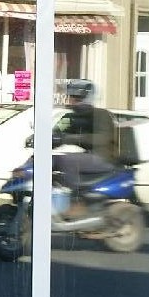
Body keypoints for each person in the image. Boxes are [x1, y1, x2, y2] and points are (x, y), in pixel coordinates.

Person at [54, 80, 121, 208]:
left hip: (103, 158)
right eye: (71, 96)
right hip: (88, 157)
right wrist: (42, 138)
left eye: (77, 97)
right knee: (50, 160)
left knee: (66, 160)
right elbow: (56, 131)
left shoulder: (101, 115)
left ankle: (76, 200)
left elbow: (102, 138)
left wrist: (69, 138)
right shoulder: (70, 117)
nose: (72, 100)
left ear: (88, 98)